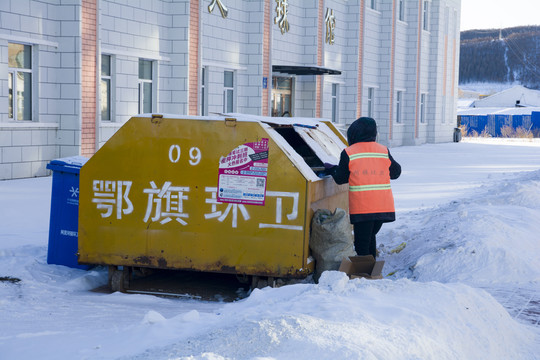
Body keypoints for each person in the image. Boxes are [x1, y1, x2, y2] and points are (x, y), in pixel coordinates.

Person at [325, 117, 401, 258]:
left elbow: (341, 178)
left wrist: (331, 170)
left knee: (361, 244)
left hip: (363, 207)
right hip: (383, 206)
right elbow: (396, 172)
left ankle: (363, 274)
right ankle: (370, 271)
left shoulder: (349, 152)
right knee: (370, 237)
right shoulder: (383, 150)